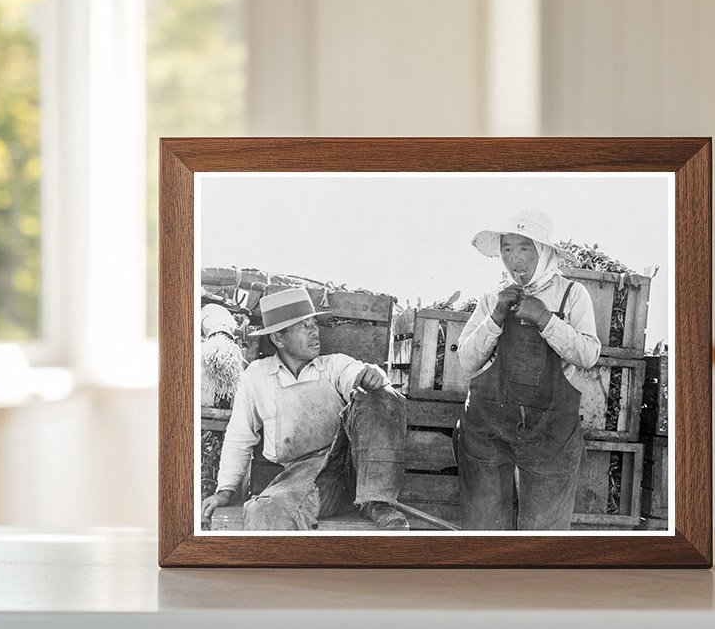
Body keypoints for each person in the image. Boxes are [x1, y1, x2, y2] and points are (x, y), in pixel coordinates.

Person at [201, 287, 410, 531]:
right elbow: (239, 437)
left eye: (314, 324)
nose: (314, 332)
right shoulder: (256, 376)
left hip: (351, 465)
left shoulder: (333, 365)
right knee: (265, 514)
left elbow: (356, 373)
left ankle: (377, 502)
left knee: (380, 394)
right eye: (303, 326)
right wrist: (224, 491)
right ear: (278, 339)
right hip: (301, 477)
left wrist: (374, 375)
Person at [455, 208, 601, 531]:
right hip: (490, 431)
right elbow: (466, 361)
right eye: (507, 248)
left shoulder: (571, 295)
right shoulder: (493, 297)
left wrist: (546, 319)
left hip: (551, 434)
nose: (514, 258)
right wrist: (494, 317)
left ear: (544, 251)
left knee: (542, 536)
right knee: (485, 528)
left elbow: (589, 354)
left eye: (524, 248)